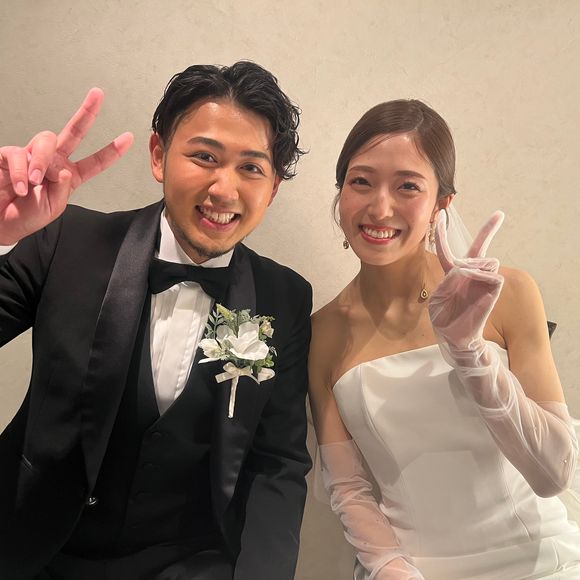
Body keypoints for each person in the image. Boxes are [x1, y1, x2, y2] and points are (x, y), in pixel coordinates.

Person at [0, 61, 312, 580]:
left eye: (251, 168)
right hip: (32, 549)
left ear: (273, 188)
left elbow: (277, 462)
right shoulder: (66, 240)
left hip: (187, 563)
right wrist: (1, 234)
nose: (224, 189)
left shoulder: (285, 296)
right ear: (158, 155)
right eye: (205, 156)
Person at [308, 99, 580, 579]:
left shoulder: (509, 294)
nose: (380, 207)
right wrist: (390, 566)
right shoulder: (322, 332)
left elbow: (554, 472)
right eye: (361, 181)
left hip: (542, 564)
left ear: (441, 204)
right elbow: (348, 487)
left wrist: (470, 353)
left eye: (407, 186)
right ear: (340, 191)